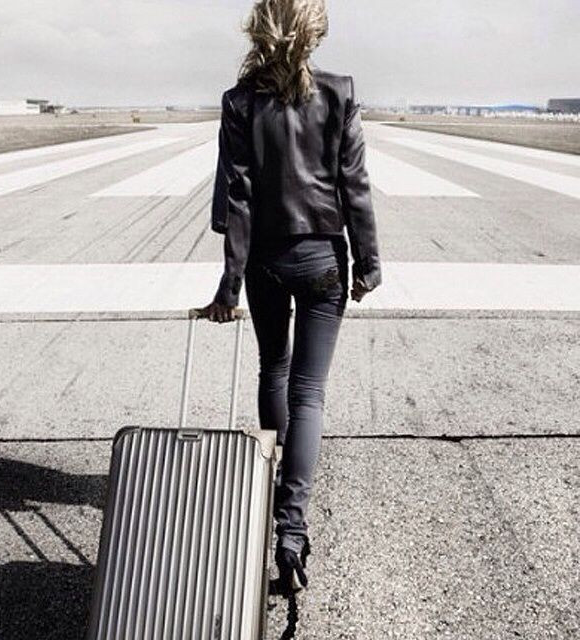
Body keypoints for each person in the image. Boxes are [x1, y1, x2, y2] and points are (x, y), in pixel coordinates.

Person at [201, 0, 381, 594]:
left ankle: (274, 488)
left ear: (261, 29)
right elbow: (355, 187)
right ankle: (291, 528)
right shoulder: (339, 92)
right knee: (309, 393)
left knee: (273, 371)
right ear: (313, 32)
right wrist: (369, 262)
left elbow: (237, 201)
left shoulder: (239, 102)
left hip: (265, 262)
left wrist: (228, 286)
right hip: (324, 259)